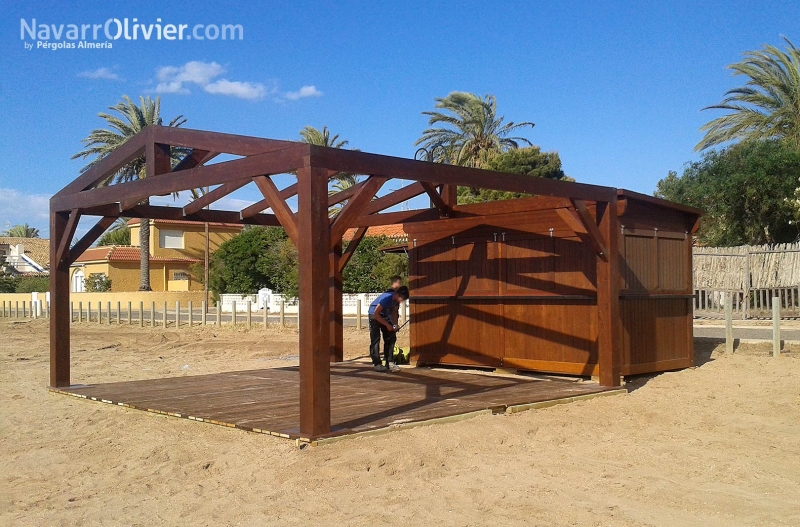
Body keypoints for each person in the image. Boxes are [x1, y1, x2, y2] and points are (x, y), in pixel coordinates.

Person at [368, 286, 410, 372]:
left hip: (385, 314)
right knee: (376, 339)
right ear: (397, 294)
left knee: (391, 337)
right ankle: (377, 363)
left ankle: (389, 361)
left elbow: (394, 312)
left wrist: (394, 325)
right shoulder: (387, 298)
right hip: (374, 314)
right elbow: (376, 315)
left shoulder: (396, 301)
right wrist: (387, 325)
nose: (401, 301)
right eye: (401, 298)